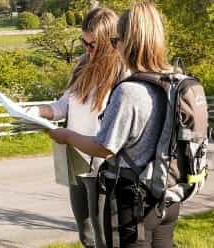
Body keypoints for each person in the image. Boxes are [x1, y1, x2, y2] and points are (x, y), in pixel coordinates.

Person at [48, 2, 180, 248]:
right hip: (166, 191)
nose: (114, 45)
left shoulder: (128, 89)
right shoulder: (173, 79)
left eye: (116, 40)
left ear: (126, 42)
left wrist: (66, 135)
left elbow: (105, 147)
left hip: (134, 194)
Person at [27, 7, 123, 248]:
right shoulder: (82, 64)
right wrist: (36, 111)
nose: (87, 50)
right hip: (76, 161)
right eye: (84, 42)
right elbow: (62, 106)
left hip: (103, 165)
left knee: (104, 236)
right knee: (86, 234)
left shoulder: (121, 72)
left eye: (93, 45)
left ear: (110, 42)